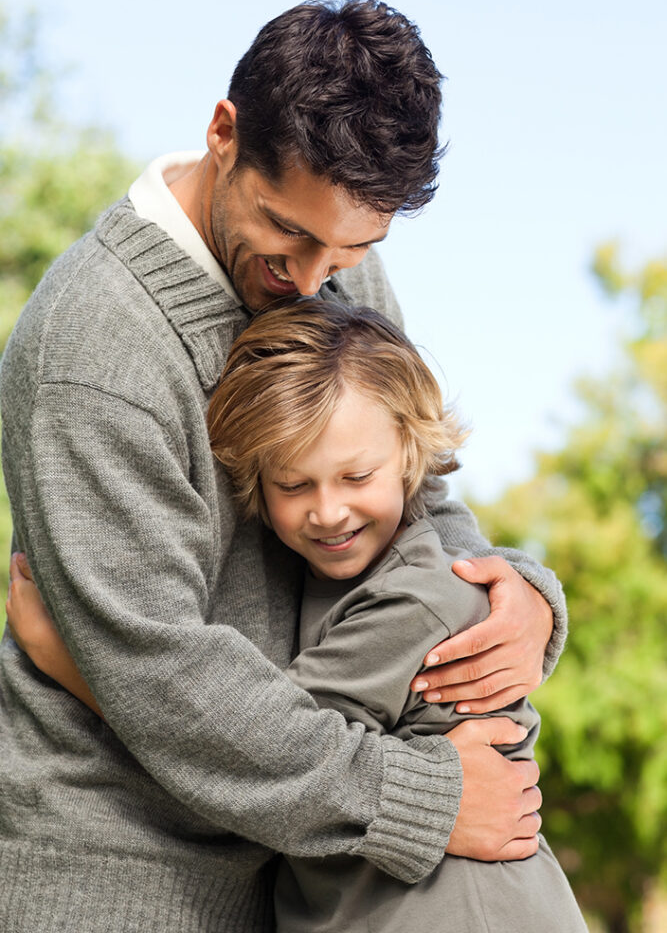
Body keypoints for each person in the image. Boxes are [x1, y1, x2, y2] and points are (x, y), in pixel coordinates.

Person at [0, 0, 565, 932]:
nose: (314, 280)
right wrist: (417, 799)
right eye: (290, 232)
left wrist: (514, 591)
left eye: (354, 245)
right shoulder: (95, 344)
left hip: (295, 868)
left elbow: (414, 488)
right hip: (121, 875)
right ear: (224, 133)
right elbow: (161, 675)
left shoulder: (340, 268)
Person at [7, 299, 587, 932]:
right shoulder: (343, 588)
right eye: (293, 485)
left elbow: (241, 752)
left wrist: (83, 666)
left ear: (412, 456)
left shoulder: (415, 603)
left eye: (356, 475)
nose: (329, 511)